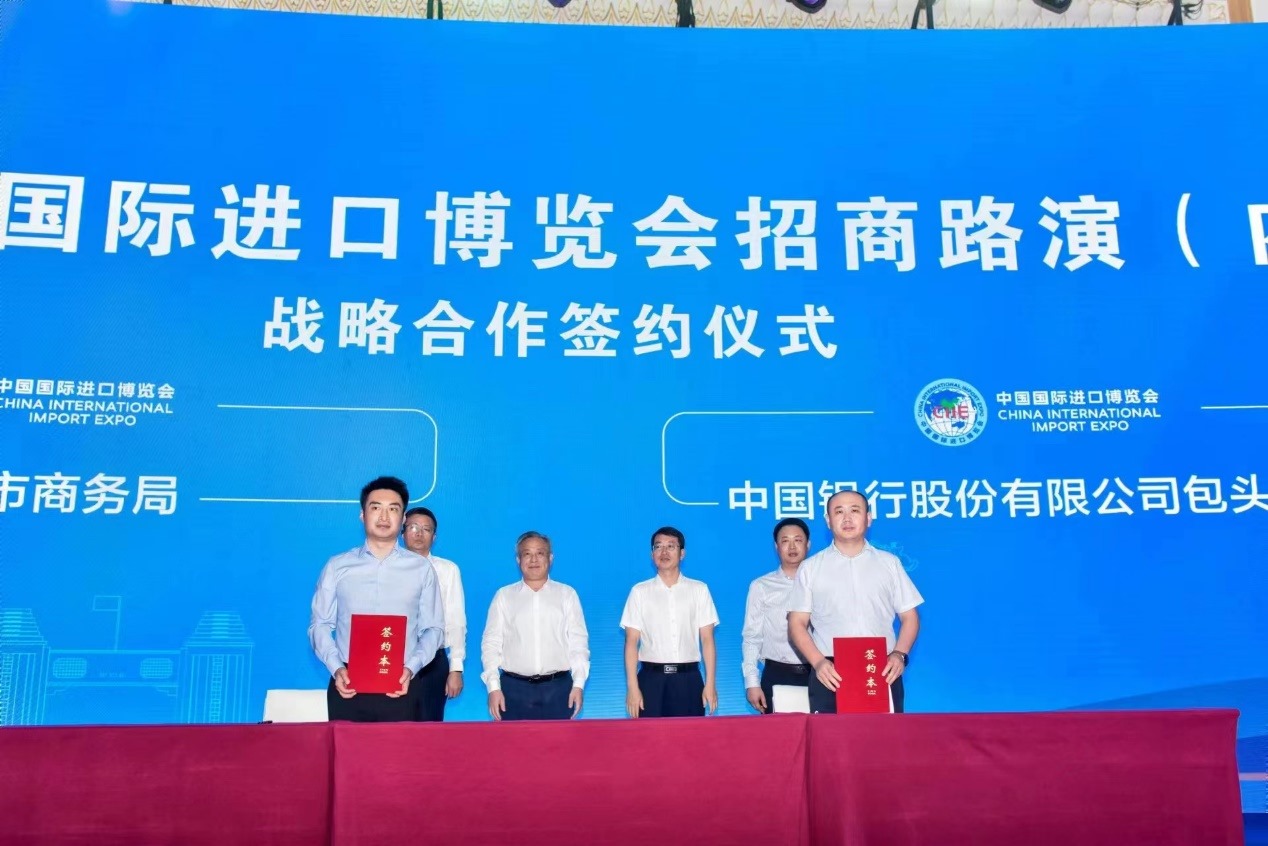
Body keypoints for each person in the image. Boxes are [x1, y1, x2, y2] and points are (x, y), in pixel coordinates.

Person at [308, 476, 445, 722]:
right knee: (347, 749)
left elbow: (433, 628)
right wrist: (336, 667)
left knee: (401, 748)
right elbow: (319, 624)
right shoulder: (337, 566)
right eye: (375, 508)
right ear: (362, 515)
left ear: (403, 519)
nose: (384, 516)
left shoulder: (421, 569)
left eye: (393, 509)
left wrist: (411, 667)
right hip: (347, 685)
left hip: (402, 684)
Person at [788, 489, 922, 714]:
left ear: (868, 518)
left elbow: (910, 617)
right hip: (830, 672)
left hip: (882, 669)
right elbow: (796, 623)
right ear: (828, 521)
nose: (847, 518)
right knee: (831, 736)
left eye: (855, 511)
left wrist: (899, 654)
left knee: (883, 735)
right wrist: (818, 662)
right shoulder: (810, 568)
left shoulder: (889, 563)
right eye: (839, 512)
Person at [481, 531, 589, 721]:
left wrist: (578, 684)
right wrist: (493, 687)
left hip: (559, 689)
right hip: (513, 690)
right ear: (518, 560)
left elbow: (578, 643)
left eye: (540, 553)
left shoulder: (567, 594)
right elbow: (491, 644)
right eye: (527, 554)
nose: (533, 560)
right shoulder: (504, 596)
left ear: (550, 558)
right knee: (512, 741)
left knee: (560, 741)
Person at [620, 526, 719, 718]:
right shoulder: (639, 592)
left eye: (671, 546)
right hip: (650, 680)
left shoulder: (699, 590)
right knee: (648, 736)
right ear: (652, 554)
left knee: (690, 736)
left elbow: (707, 640)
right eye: (658, 547)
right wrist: (632, 688)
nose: (664, 552)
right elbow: (631, 642)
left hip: (688, 680)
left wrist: (710, 684)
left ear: (682, 553)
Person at [401, 506, 467, 722]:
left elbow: (456, 620)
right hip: (394, 657)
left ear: (434, 537)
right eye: (413, 527)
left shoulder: (448, 570)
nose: (419, 533)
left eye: (426, 529)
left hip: (432, 661)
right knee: (394, 726)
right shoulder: (388, 568)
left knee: (429, 726)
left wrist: (456, 668)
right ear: (402, 533)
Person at [741, 517, 812, 714]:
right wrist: (752, 682)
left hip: (819, 674)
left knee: (822, 732)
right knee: (778, 733)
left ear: (808, 544)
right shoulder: (761, 586)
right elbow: (752, 638)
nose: (792, 546)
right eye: (785, 541)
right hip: (778, 674)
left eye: (798, 540)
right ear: (776, 546)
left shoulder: (823, 583)